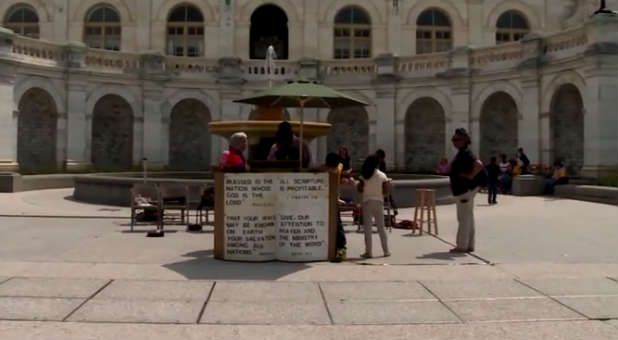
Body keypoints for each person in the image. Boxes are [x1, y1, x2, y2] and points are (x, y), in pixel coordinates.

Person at [449, 128, 484, 253]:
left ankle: (462, 246)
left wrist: (470, 175)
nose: (454, 141)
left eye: (457, 139)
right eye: (453, 139)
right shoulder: (463, 152)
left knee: (463, 218)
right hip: (465, 189)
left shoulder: (466, 153)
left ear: (464, 140)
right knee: (468, 217)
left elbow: (479, 164)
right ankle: (470, 245)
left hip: (464, 190)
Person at [357, 155, 391, 258]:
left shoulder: (364, 175)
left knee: (367, 228)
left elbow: (360, 189)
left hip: (367, 202)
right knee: (381, 227)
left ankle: (368, 252)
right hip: (379, 201)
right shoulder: (382, 175)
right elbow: (385, 191)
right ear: (377, 164)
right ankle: (386, 251)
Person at [323, 153, 347, 262]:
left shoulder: (337, 168)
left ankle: (341, 248)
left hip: (334, 199)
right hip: (326, 199)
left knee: (337, 224)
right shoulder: (331, 168)